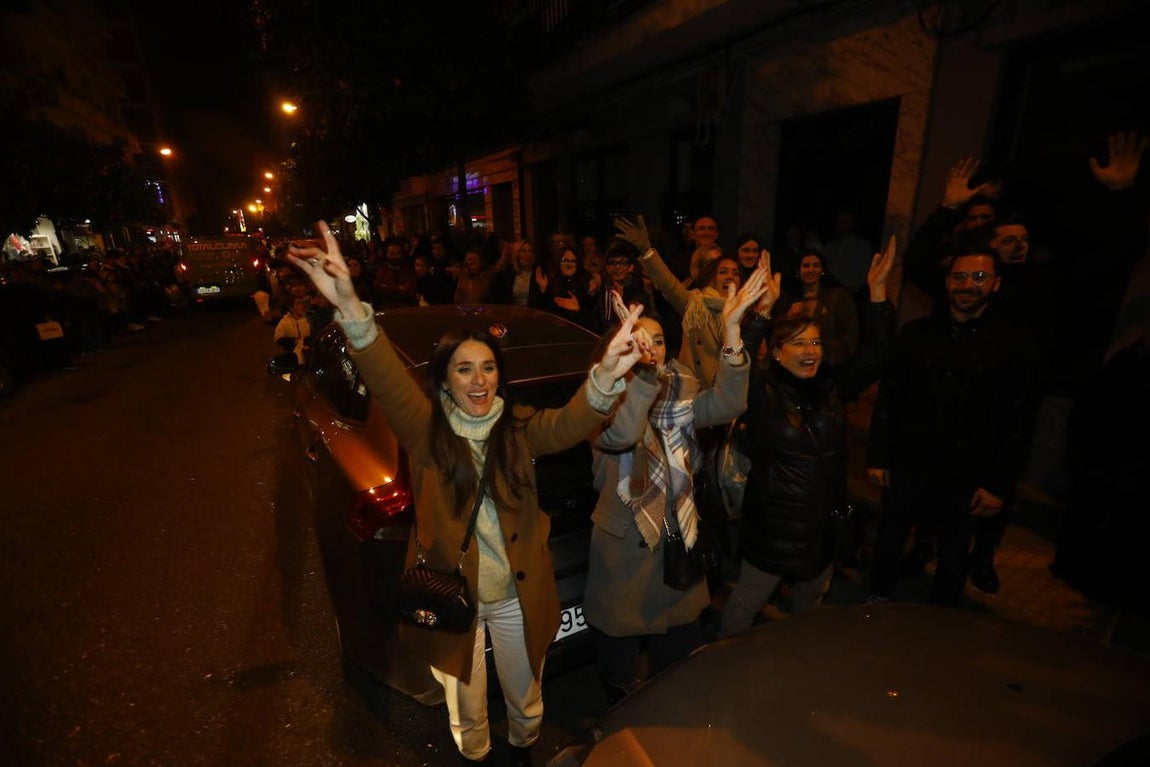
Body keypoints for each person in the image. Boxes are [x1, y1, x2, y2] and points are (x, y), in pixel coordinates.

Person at [288, 221, 649, 767]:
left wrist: (604, 378)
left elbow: (570, 424)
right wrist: (349, 305)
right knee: (466, 706)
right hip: (455, 597)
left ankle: (523, 751)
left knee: (525, 697)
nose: (478, 380)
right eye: (464, 369)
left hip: (516, 598)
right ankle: (475, 755)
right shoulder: (425, 430)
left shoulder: (519, 426)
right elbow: (385, 375)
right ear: (445, 379)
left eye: (487, 368)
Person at [584, 260, 771, 702]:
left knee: (677, 663)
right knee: (619, 661)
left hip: (676, 539)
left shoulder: (680, 395)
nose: (650, 348)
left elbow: (727, 403)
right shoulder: (599, 399)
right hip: (625, 544)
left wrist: (732, 333)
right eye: (638, 340)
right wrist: (643, 375)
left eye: (658, 341)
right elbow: (623, 434)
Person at [719, 238, 897, 636]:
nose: (810, 351)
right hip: (774, 529)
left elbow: (877, 356)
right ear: (777, 353)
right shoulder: (761, 392)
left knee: (809, 610)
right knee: (747, 602)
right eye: (798, 343)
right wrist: (762, 313)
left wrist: (878, 293)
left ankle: (798, 659)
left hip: (820, 529)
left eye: (815, 341)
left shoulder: (832, 388)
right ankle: (724, 662)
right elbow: (736, 365)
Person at [865, 249, 1042, 607]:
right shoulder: (916, 334)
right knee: (890, 538)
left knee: (954, 554)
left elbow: (1019, 421)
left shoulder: (1013, 345)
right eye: (959, 277)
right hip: (909, 464)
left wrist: (998, 485)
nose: (967, 285)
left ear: (996, 284)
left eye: (979, 277)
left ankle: (941, 620)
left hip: (968, 474)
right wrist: (878, 457)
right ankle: (876, 601)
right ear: (947, 283)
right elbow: (889, 399)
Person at [615, 213, 748, 391]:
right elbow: (667, 283)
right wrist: (646, 250)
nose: (730, 276)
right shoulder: (697, 304)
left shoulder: (746, 311)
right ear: (712, 278)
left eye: (735, 273)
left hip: (727, 394)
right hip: (692, 393)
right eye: (723, 272)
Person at [775, 249, 859, 368]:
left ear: (822, 270)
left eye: (816, 265)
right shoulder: (788, 302)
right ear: (798, 270)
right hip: (795, 366)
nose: (811, 270)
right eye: (806, 266)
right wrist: (789, 318)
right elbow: (779, 338)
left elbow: (849, 338)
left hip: (831, 368)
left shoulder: (838, 297)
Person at [538, 249, 594, 330]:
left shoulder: (586, 283)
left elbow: (592, 318)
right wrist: (543, 290)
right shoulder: (551, 282)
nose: (569, 264)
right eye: (565, 260)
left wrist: (578, 310)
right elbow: (543, 313)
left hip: (578, 331)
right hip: (554, 330)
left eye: (573, 261)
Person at [272, 295, 312, 365]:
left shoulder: (308, 319)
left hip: (309, 356)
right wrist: (292, 341)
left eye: (302, 303)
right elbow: (277, 338)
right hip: (293, 357)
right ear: (291, 308)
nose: (302, 306)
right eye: (298, 304)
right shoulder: (285, 322)